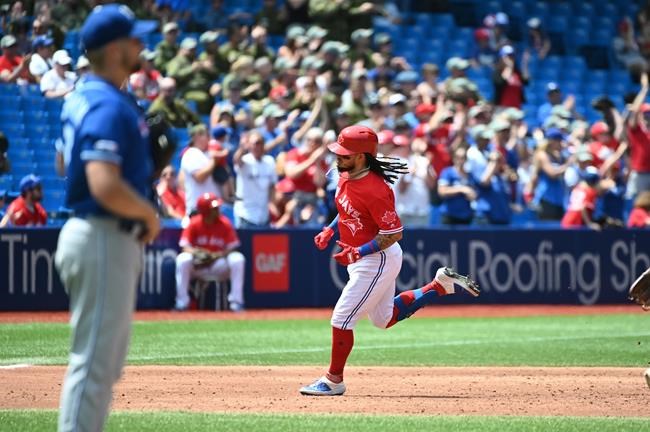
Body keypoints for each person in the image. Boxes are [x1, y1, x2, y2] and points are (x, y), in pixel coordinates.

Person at [299, 125, 480, 396]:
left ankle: (333, 380)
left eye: (345, 154)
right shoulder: (346, 174)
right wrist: (330, 229)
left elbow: (394, 233)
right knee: (384, 319)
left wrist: (359, 252)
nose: (339, 158)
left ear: (361, 156)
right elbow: (346, 210)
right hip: (365, 258)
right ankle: (439, 286)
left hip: (376, 259)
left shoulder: (375, 189)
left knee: (341, 319)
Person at [54, 5, 159, 431]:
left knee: (101, 365)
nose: (142, 44)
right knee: (94, 367)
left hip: (95, 233)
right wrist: (148, 213)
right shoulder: (108, 105)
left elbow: (63, 162)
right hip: (103, 233)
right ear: (115, 49)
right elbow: (102, 181)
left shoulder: (83, 94)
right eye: (135, 39)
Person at [174, 192, 246, 312]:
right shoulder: (194, 223)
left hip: (218, 264)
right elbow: (185, 246)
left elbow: (233, 247)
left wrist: (217, 255)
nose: (218, 210)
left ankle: (236, 303)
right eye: (214, 208)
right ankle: (182, 303)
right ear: (204, 210)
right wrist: (198, 253)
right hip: (198, 265)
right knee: (183, 259)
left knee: (238, 259)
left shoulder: (224, 222)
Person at [233, 130, 278, 228]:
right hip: (245, 214)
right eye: (255, 143)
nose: (258, 146)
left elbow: (272, 185)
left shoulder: (269, 161)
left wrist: (272, 202)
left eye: (261, 143)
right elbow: (237, 160)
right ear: (249, 145)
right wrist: (242, 147)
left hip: (263, 214)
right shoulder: (245, 160)